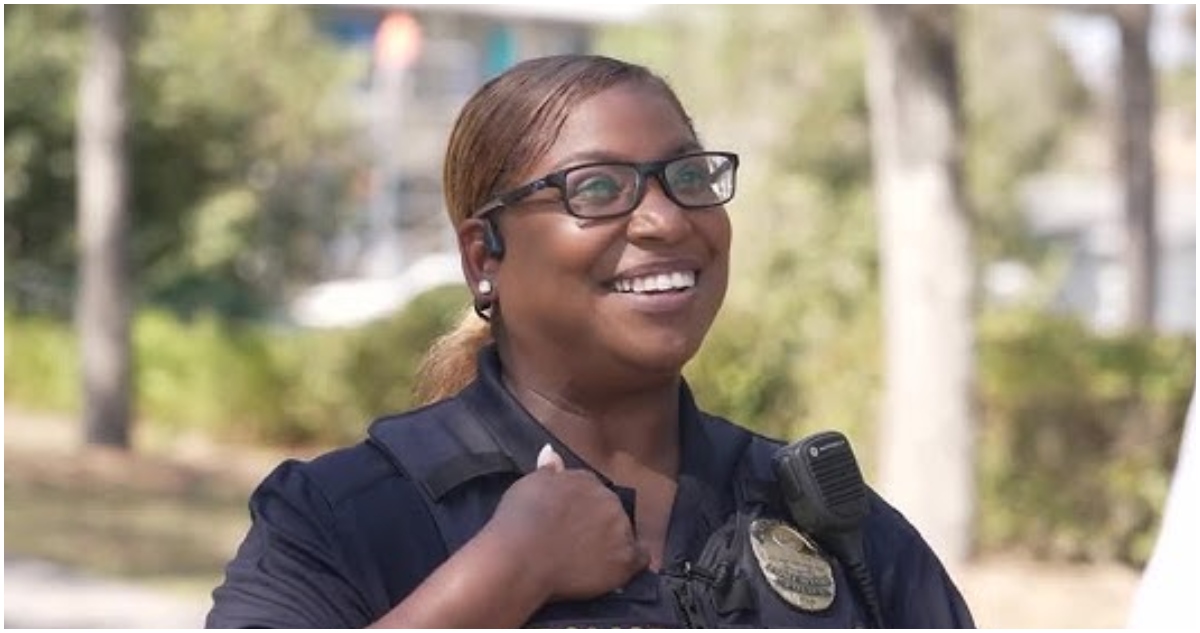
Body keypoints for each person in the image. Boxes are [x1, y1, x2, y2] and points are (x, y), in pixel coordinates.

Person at [207, 53, 974, 628]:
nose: (667, 219)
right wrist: (510, 568)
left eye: (689, 176)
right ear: (485, 257)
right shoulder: (350, 516)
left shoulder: (825, 521)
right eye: (598, 188)